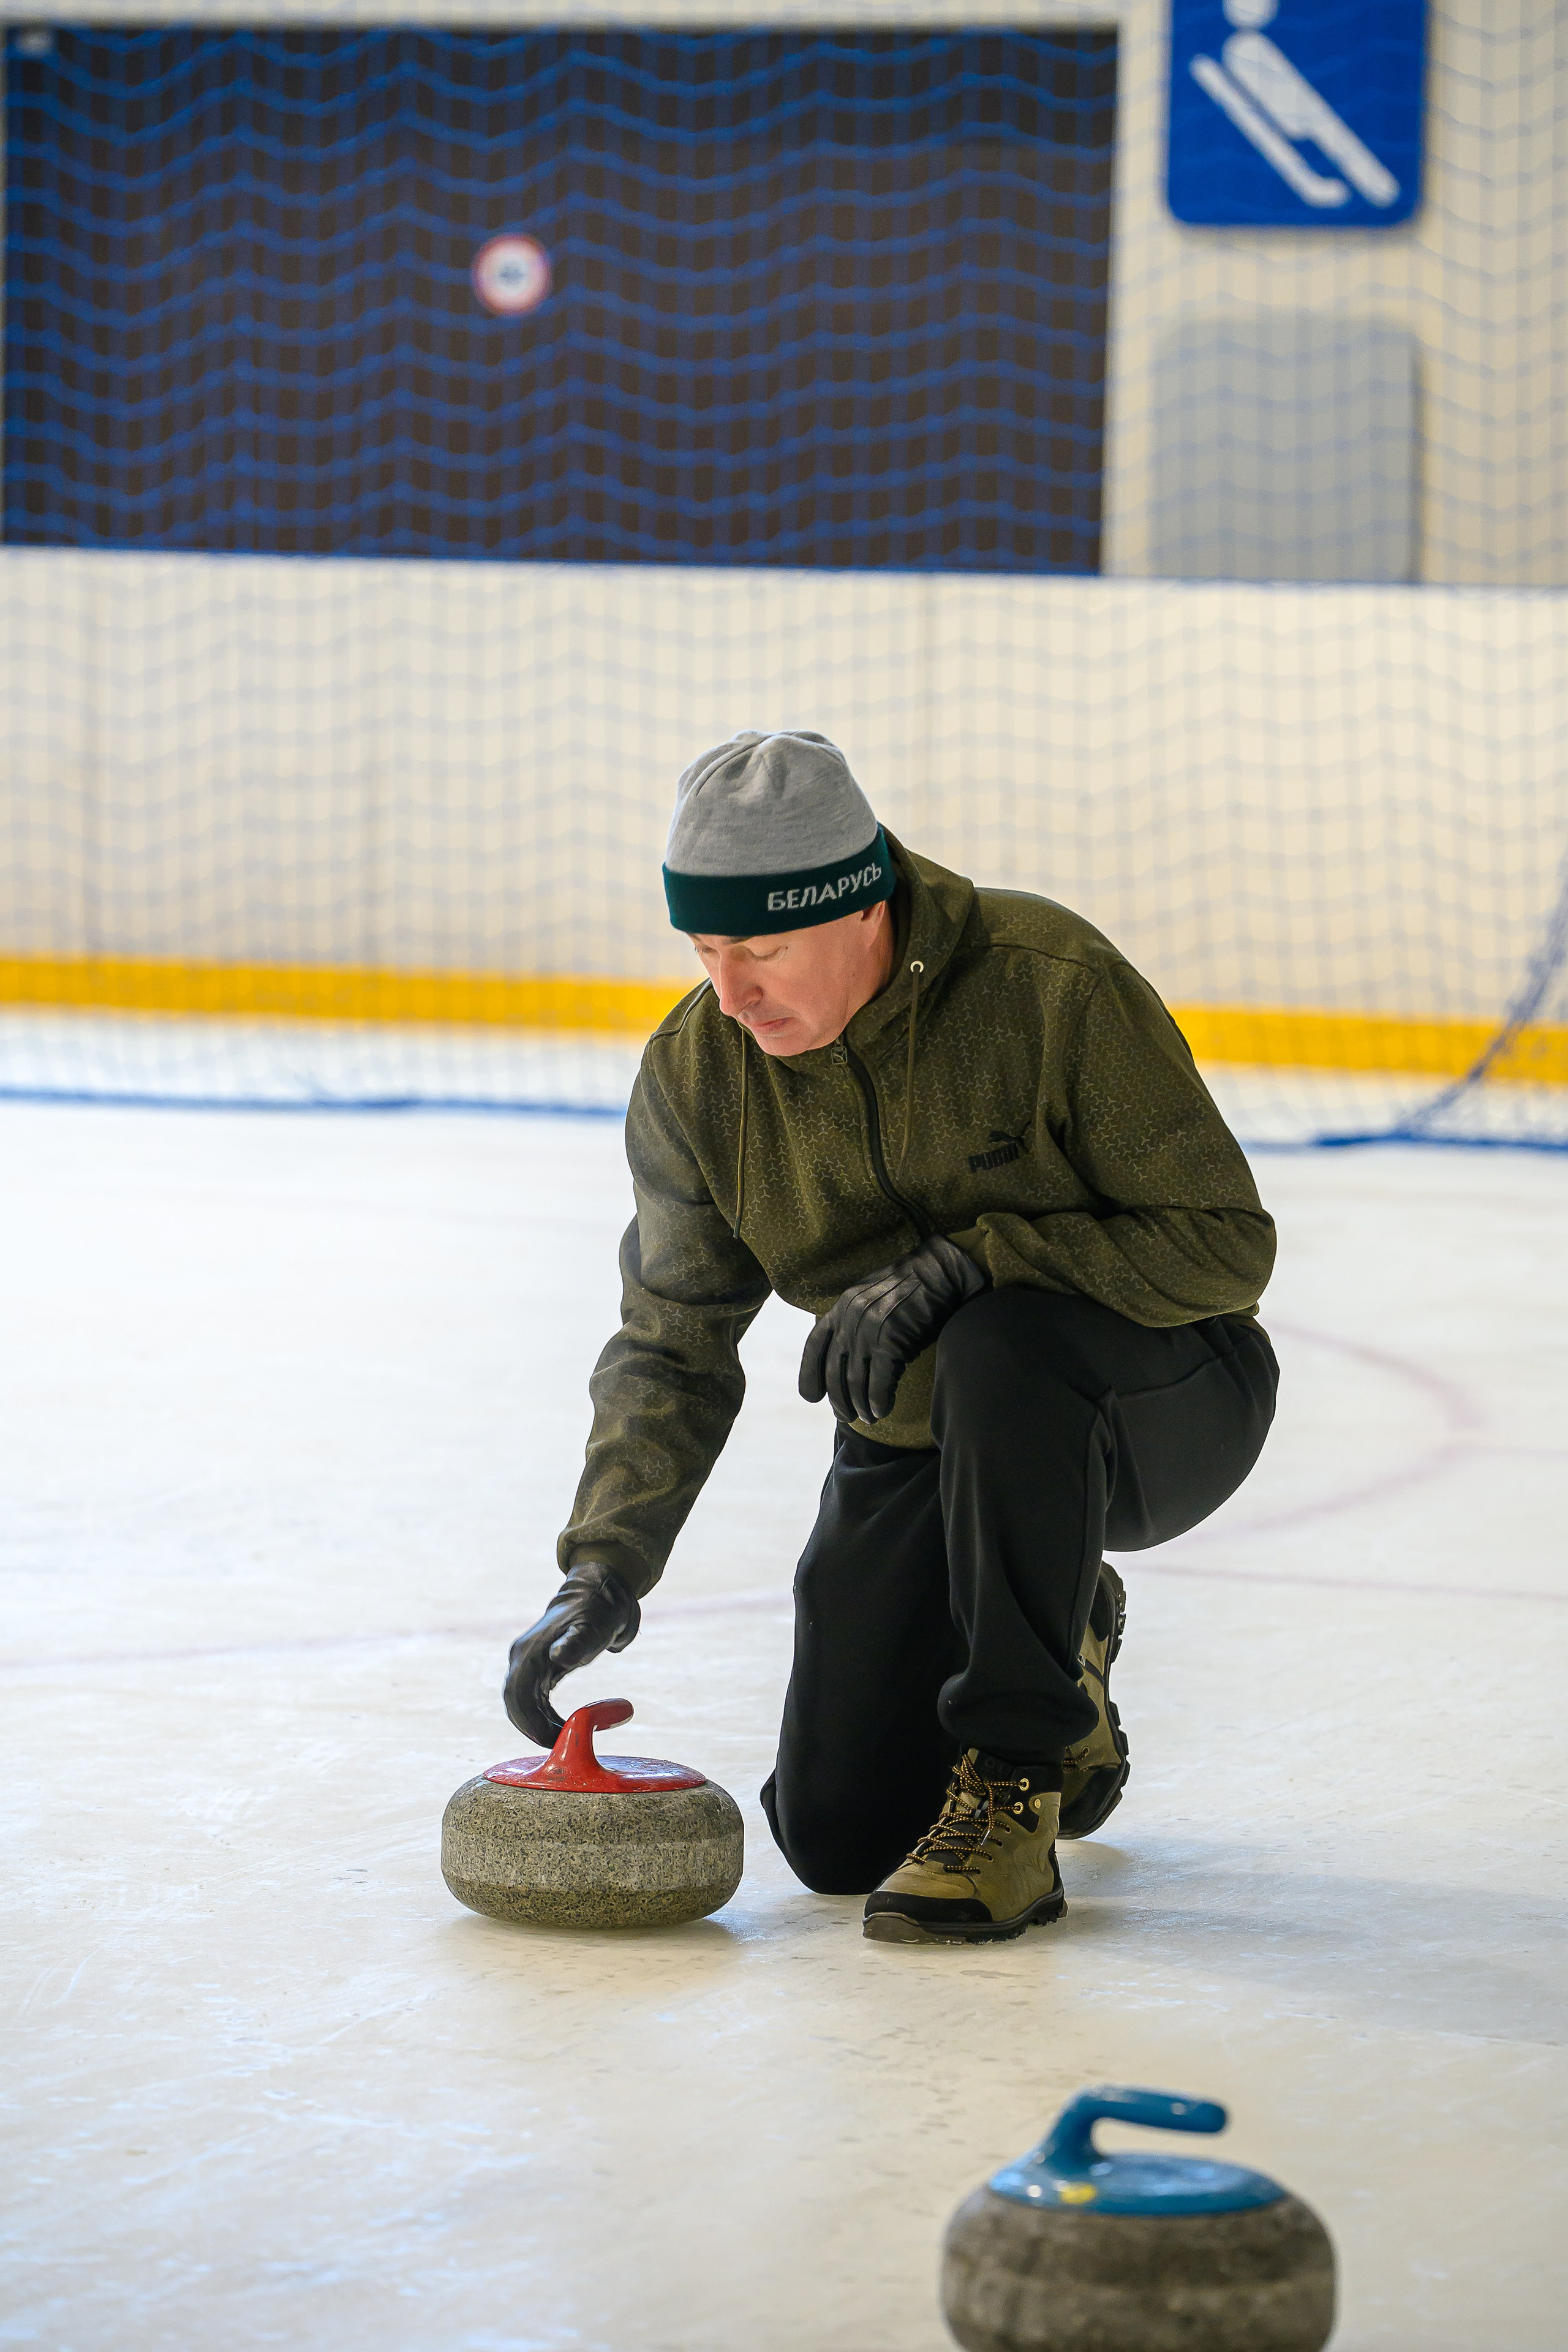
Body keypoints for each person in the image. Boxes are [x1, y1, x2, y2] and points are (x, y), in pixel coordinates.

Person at [505, 730, 1278, 1945]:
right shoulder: (700, 1074)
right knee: (837, 1839)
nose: (731, 991)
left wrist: (975, 1258)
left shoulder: (1044, 982)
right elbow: (671, 1339)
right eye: (705, 950)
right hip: (920, 1432)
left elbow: (1223, 1246)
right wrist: (602, 1563)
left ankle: (1016, 1780)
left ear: (859, 903)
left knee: (999, 1344)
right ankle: (1060, 1636)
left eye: (760, 948)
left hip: (1158, 1402)